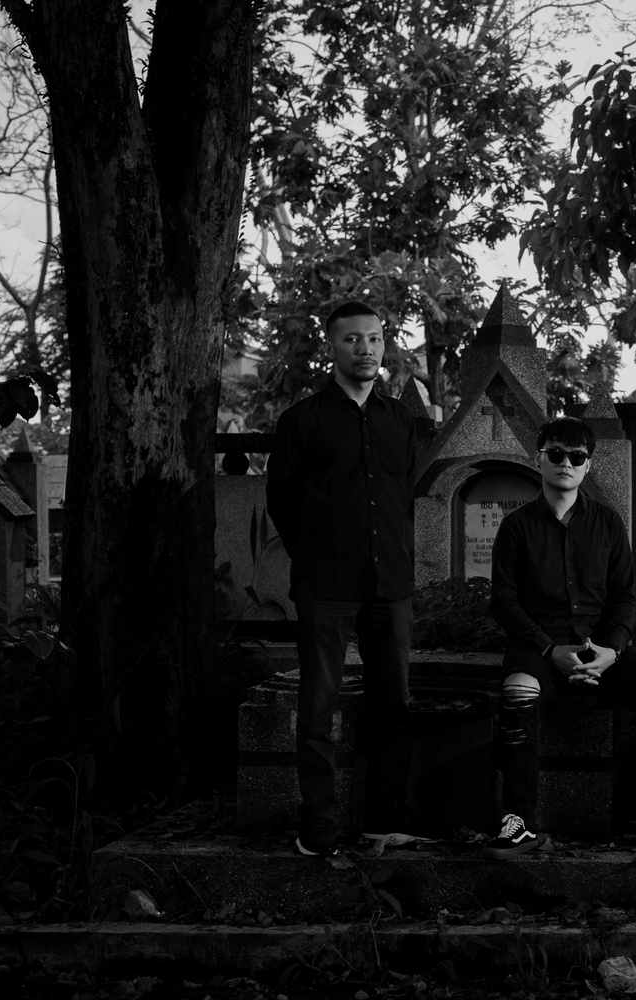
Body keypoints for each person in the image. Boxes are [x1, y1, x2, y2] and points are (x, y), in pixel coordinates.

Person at [483, 416, 636, 859]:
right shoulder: (516, 526)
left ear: (588, 465)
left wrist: (611, 652)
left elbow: (624, 598)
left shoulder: (608, 522)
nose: (565, 463)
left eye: (576, 456)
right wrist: (549, 648)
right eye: (555, 454)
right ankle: (519, 819)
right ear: (539, 458)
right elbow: (504, 600)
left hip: (602, 648)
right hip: (540, 648)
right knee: (518, 692)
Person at [266, 300, 419, 858]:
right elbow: (282, 503)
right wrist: (318, 554)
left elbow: (403, 500)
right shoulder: (302, 421)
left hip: (389, 585)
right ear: (332, 346)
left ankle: (385, 819)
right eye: (353, 339)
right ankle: (319, 823)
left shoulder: (400, 420)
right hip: (326, 584)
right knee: (318, 704)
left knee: (393, 703)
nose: (366, 349)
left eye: (374, 338)